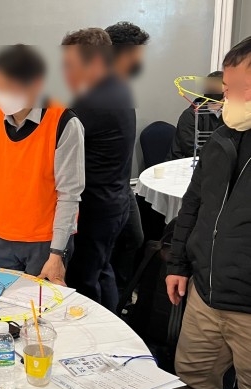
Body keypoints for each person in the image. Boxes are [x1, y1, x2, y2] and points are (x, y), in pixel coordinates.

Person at [166, 36, 251, 389]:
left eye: (235, 89)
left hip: (247, 308)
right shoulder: (222, 138)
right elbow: (194, 205)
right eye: (225, 88)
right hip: (205, 295)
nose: (224, 98)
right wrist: (178, 264)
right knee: (190, 386)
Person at [0, 44, 84, 284]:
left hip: (45, 243)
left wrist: (57, 254)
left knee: (39, 306)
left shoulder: (64, 123)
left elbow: (69, 194)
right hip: (1, 239)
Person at [62, 28, 136, 311]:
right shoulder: (119, 88)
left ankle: (96, 330)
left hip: (94, 208)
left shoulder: (91, 102)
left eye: (71, 65)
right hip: (114, 200)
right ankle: (115, 322)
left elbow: (54, 143)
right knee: (102, 270)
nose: (66, 74)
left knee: (84, 279)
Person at [105, 21, 149, 306]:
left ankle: (121, 297)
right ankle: (114, 301)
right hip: (105, 193)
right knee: (108, 251)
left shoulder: (121, 91)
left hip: (122, 187)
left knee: (135, 239)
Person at [167, 71, 225, 160]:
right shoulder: (191, 115)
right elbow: (190, 149)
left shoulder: (226, 114)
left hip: (211, 161)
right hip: (184, 162)